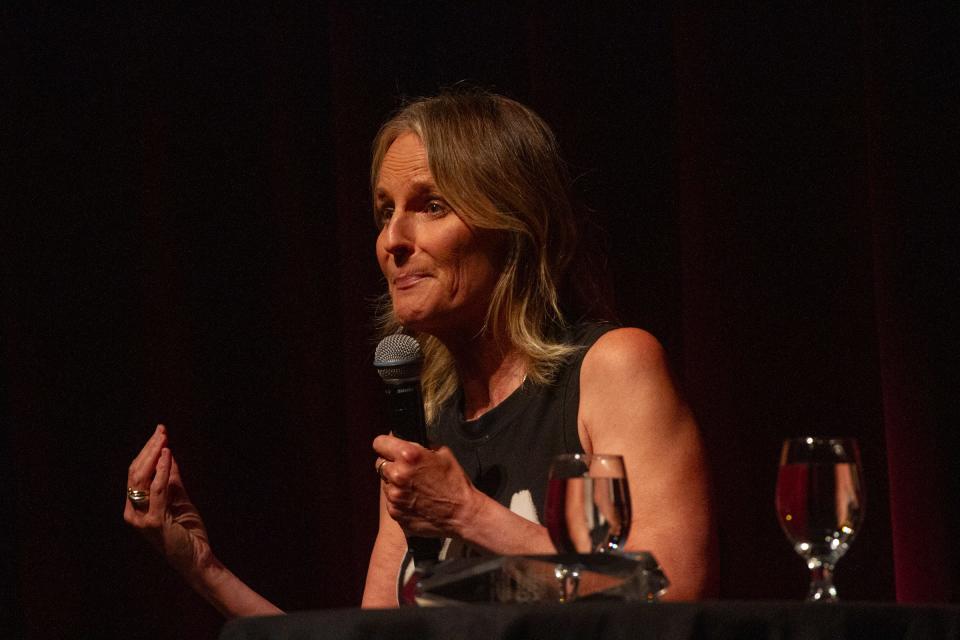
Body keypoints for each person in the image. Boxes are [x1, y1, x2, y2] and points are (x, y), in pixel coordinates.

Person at [124, 90, 714, 616]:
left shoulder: (611, 368)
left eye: (430, 205)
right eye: (385, 211)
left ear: (513, 224)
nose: (392, 241)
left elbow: (673, 590)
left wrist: (467, 513)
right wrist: (205, 570)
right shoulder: (426, 426)